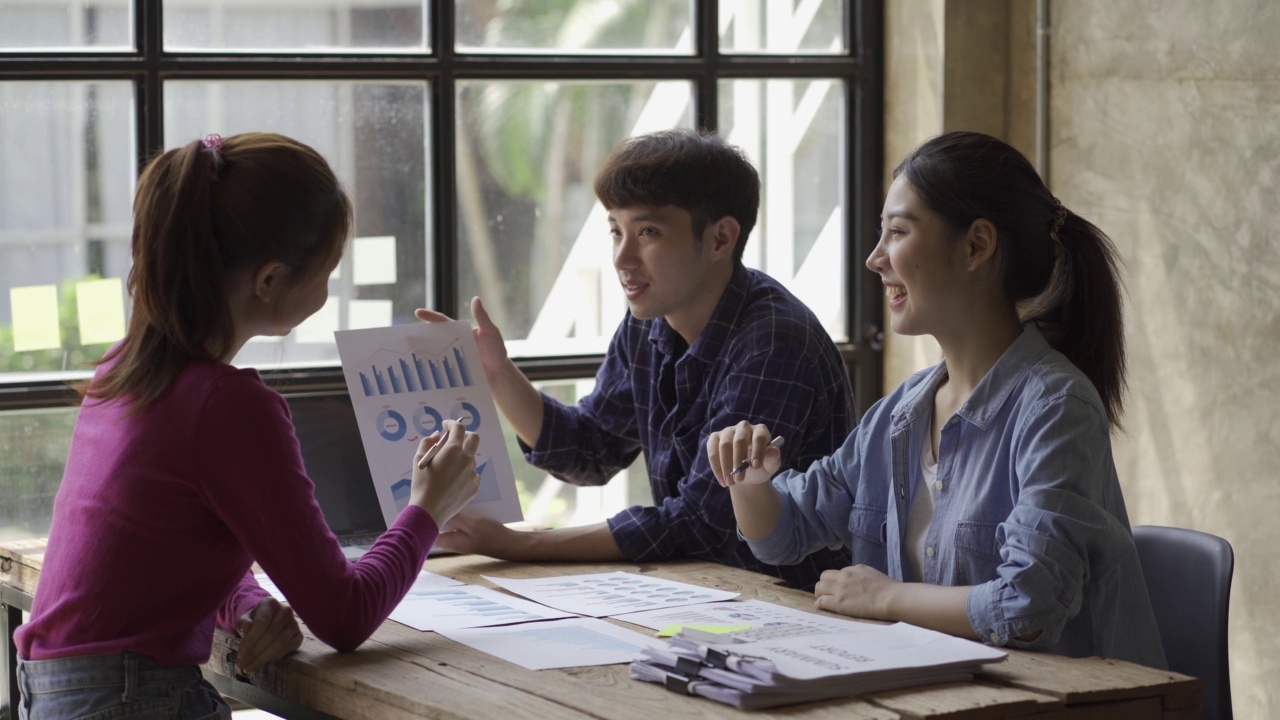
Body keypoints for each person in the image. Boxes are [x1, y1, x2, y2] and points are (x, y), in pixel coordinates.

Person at [15, 132, 481, 719]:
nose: (330, 288)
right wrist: (428, 508)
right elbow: (345, 616)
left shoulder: (129, 368)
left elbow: (150, 548)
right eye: (328, 270)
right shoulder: (229, 406)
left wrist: (243, 600)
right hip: (132, 700)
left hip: (63, 693)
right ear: (269, 280)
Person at [707, 131, 1167, 669]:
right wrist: (751, 480)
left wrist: (885, 598)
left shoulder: (1056, 408)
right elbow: (784, 534)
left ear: (976, 246)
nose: (875, 259)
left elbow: (1029, 606)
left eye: (897, 232)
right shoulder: (900, 415)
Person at [421, 129, 854, 589]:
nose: (622, 258)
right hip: (706, 593)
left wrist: (517, 545)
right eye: (615, 231)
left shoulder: (774, 342)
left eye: (647, 232)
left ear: (720, 239)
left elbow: (702, 524)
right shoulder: (650, 323)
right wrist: (497, 373)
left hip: (799, 605)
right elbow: (590, 450)